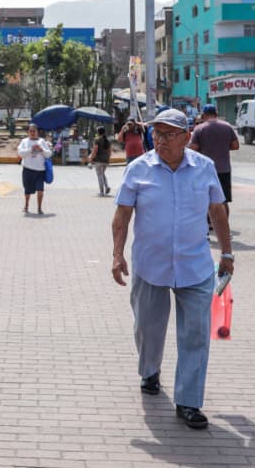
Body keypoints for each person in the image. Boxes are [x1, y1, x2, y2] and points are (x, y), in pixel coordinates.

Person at [111, 108, 234, 430]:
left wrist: (228, 253)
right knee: (148, 329)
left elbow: (218, 211)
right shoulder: (138, 169)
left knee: (195, 336)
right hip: (150, 264)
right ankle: (150, 370)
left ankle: (189, 402)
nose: (160, 140)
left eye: (167, 134)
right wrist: (116, 254)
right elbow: (122, 214)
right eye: (157, 134)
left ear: (186, 137)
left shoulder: (204, 169)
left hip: (195, 266)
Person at [189, 104, 239, 220]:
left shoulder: (199, 129)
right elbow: (235, 146)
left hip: (205, 169)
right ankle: (224, 225)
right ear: (216, 114)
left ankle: (210, 224)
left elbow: (192, 149)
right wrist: (223, 147)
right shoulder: (227, 126)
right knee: (224, 200)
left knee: (206, 198)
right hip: (224, 169)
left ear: (204, 115)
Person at [17, 124, 52, 214]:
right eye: (30, 131)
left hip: (40, 171)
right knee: (27, 190)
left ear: (37, 132)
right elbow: (20, 153)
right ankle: (26, 206)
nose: (32, 133)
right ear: (28, 132)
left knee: (40, 190)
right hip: (28, 170)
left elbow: (49, 154)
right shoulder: (24, 141)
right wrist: (30, 150)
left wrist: (41, 150)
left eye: (34, 131)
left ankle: (39, 208)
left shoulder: (42, 141)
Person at [83, 126, 111, 196]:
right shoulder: (108, 141)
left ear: (98, 132)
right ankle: (107, 186)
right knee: (102, 173)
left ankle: (101, 192)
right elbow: (110, 151)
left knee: (99, 175)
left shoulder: (97, 140)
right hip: (106, 160)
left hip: (99, 160)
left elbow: (94, 151)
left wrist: (90, 159)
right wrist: (108, 159)